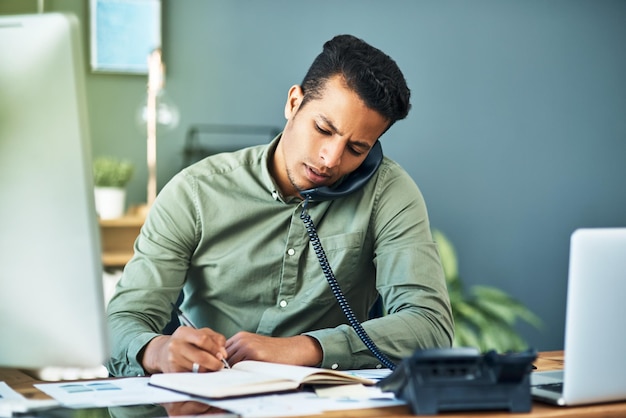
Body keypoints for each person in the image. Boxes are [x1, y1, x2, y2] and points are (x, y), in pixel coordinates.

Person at [106, 34, 454, 377]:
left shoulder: (388, 191)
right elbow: (120, 323)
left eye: (357, 149)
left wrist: (306, 348)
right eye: (323, 128)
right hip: (210, 396)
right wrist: (158, 350)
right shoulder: (194, 191)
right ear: (293, 103)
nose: (330, 159)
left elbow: (430, 327)